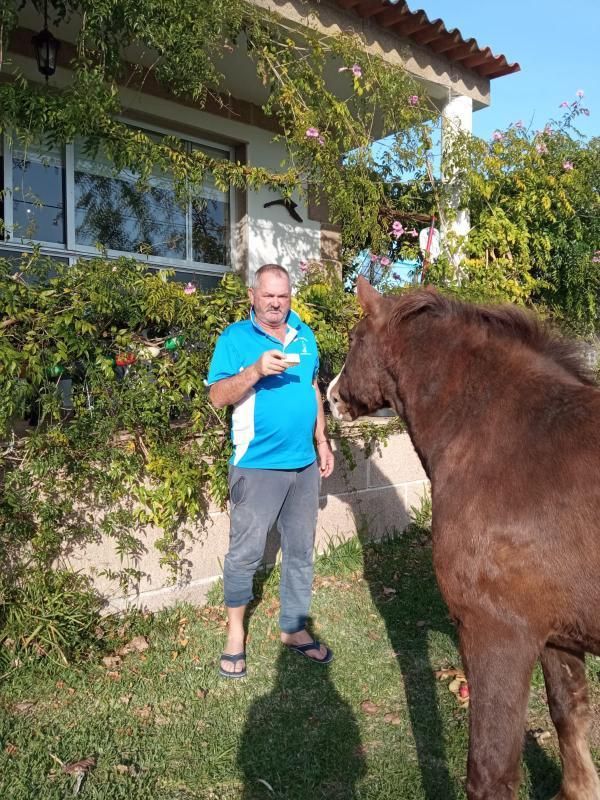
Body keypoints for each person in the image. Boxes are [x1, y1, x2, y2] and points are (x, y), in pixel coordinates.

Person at [207, 263, 335, 678]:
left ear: (290, 297)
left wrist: (322, 440)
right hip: (256, 467)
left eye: (283, 295)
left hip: (303, 467)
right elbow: (216, 397)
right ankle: (234, 634)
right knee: (244, 554)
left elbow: (313, 388)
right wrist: (255, 371)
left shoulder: (305, 334)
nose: (276, 303)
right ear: (253, 296)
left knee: (300, 551)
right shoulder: (235, 338)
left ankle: (294, 629)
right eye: (268, 295)